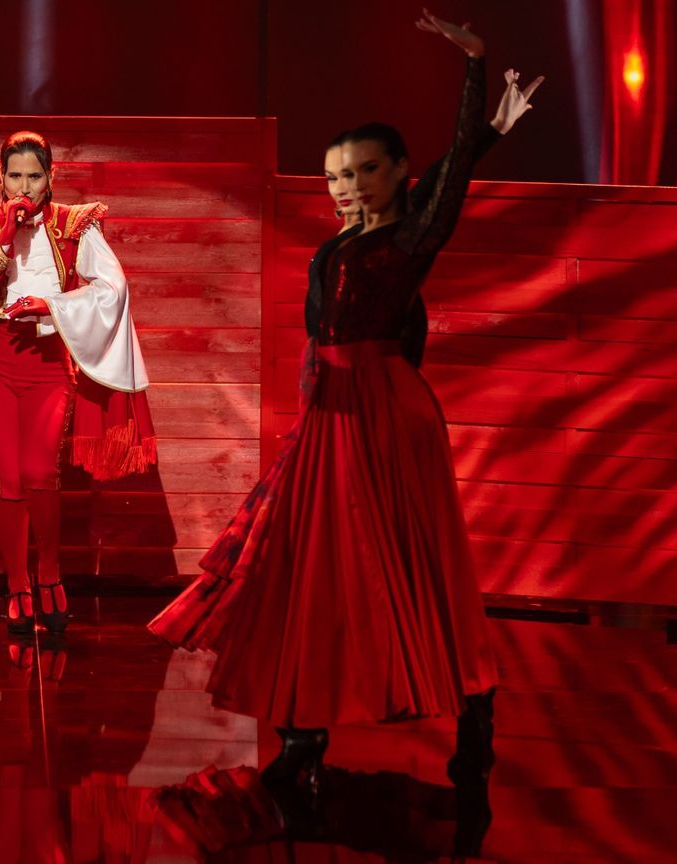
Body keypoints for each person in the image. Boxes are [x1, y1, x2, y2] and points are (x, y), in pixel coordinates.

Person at [149, 10, 507, 791]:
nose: (349, 186)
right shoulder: (343, 240)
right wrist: (488, 134)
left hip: (383, 409)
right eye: (338, 175)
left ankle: (471, 699)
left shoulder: (409, 240)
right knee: (305, 560)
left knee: (401, 563)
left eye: (366, 171)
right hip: (330, 407)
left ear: (400, 173)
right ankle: (302, 724)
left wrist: (475, 71)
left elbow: (447, 187)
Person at [0, 130, 155, 635]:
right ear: (0, 177)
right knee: (9, 474)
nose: (24, 187)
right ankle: (17, 586)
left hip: (47, 359)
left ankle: (49, 574)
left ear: (51, 177)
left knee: (41, 472)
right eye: (14, 176)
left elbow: (113, 287)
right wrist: (7, 231)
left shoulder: (74, 223)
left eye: (34, 176)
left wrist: (52, 303)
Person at [301, 67, 543, 402]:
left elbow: (440, 176)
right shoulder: (350, 235)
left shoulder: (388, 227)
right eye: (336, 177)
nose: (345, 186)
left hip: (363, 381)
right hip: (329, 375)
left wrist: (496, 127)